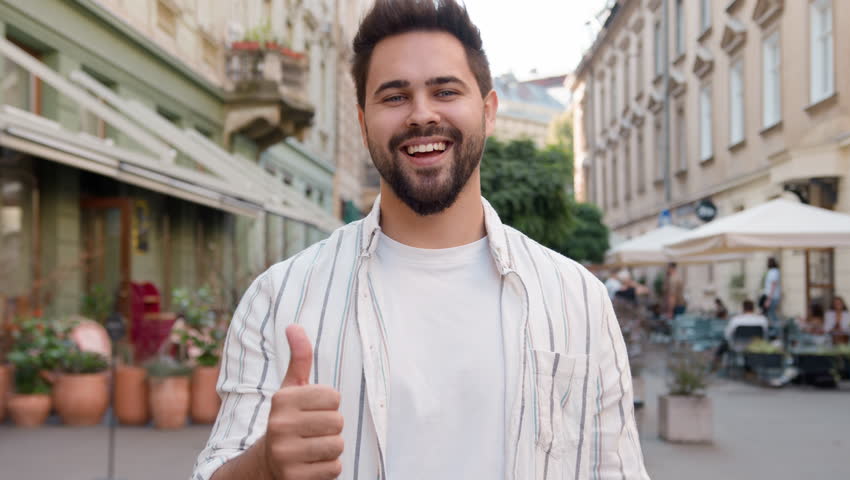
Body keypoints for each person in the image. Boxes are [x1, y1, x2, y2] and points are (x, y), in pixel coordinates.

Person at [192, 2, 649, 479]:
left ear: (488, 112)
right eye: (394, 97)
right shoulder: (279, 298)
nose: (421, 114)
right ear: (364, 122)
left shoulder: (576, 298)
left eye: (445, 90)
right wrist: (262, 464)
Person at [712, 300, 769, 370]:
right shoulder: (762, 319)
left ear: (743, 308)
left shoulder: (736, 320)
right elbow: (765, 334)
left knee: (724, 343)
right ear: (753, 308)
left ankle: (716, 363)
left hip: (738, 346)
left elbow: (727, 334)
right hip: (757, 346)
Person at [762, 257, 782, 327]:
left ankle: (776, 331)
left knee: (772, 315)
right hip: (772, 296)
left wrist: (769, 299)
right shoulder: (774, 271)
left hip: (772, 297)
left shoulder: (774, 272)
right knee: (770, 314)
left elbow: (773, 285)